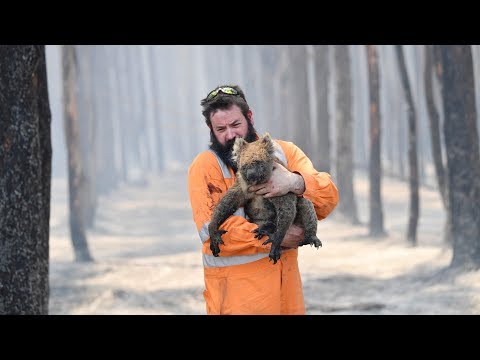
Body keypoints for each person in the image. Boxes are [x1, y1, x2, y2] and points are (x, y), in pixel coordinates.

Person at [188, 85, 339, 315]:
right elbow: (211, 232)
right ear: (210, 129)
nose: (230, 135)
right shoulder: (206, 167)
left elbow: (328, 198)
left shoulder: (284, 152)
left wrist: (295, 182)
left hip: (287, 300)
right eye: (220, 128)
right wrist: (275, 237)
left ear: (249, 117)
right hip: (237, 305)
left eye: (236, 125)